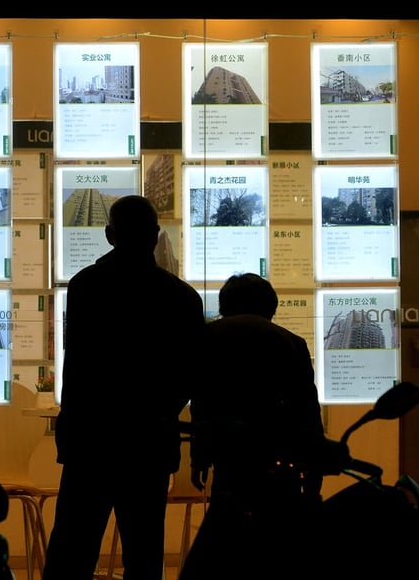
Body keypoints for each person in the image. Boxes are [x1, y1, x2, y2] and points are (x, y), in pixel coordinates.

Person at [43, 195, 206, 580]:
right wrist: (163, 415)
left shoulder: (86, 286)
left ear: (109, 234)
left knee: (72, 552)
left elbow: (78, 367)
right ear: (155, 235)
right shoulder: (182, 297)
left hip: (91, 440)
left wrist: (69, 431)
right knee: (144, 554)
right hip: (149, 441)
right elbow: (189, 376)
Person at [179, 273, 325, 580]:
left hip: (229, 460)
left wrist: (199, 458)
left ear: (224, 304)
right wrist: (314, 474)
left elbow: (201, 402)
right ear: (270, 306)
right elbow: (307, 411)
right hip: (280, 464)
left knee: (224, 547)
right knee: (279, 551)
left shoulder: (207, 338)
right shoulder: (292, 343)